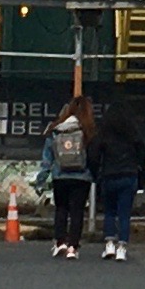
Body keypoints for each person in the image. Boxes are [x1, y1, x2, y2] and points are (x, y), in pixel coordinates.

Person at [89, 97, 145, 261]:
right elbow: (142, 154)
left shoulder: (104, 134)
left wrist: (96, 174)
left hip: (109, 175)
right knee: (124, 214)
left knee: (109, 212)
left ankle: (109, 244)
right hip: (129, 175)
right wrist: (141, 173)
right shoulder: (133, 134)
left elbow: (94, 155)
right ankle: (122, 247)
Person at [40, 93, 94, 260]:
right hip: (82, 176)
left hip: (60, 175)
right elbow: (92, 155)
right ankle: (73, 247)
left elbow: (47, 156)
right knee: (77, 211)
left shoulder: (56, 129)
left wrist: (42, 177)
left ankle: (60, 242)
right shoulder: (88, 130)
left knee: (61, 209)